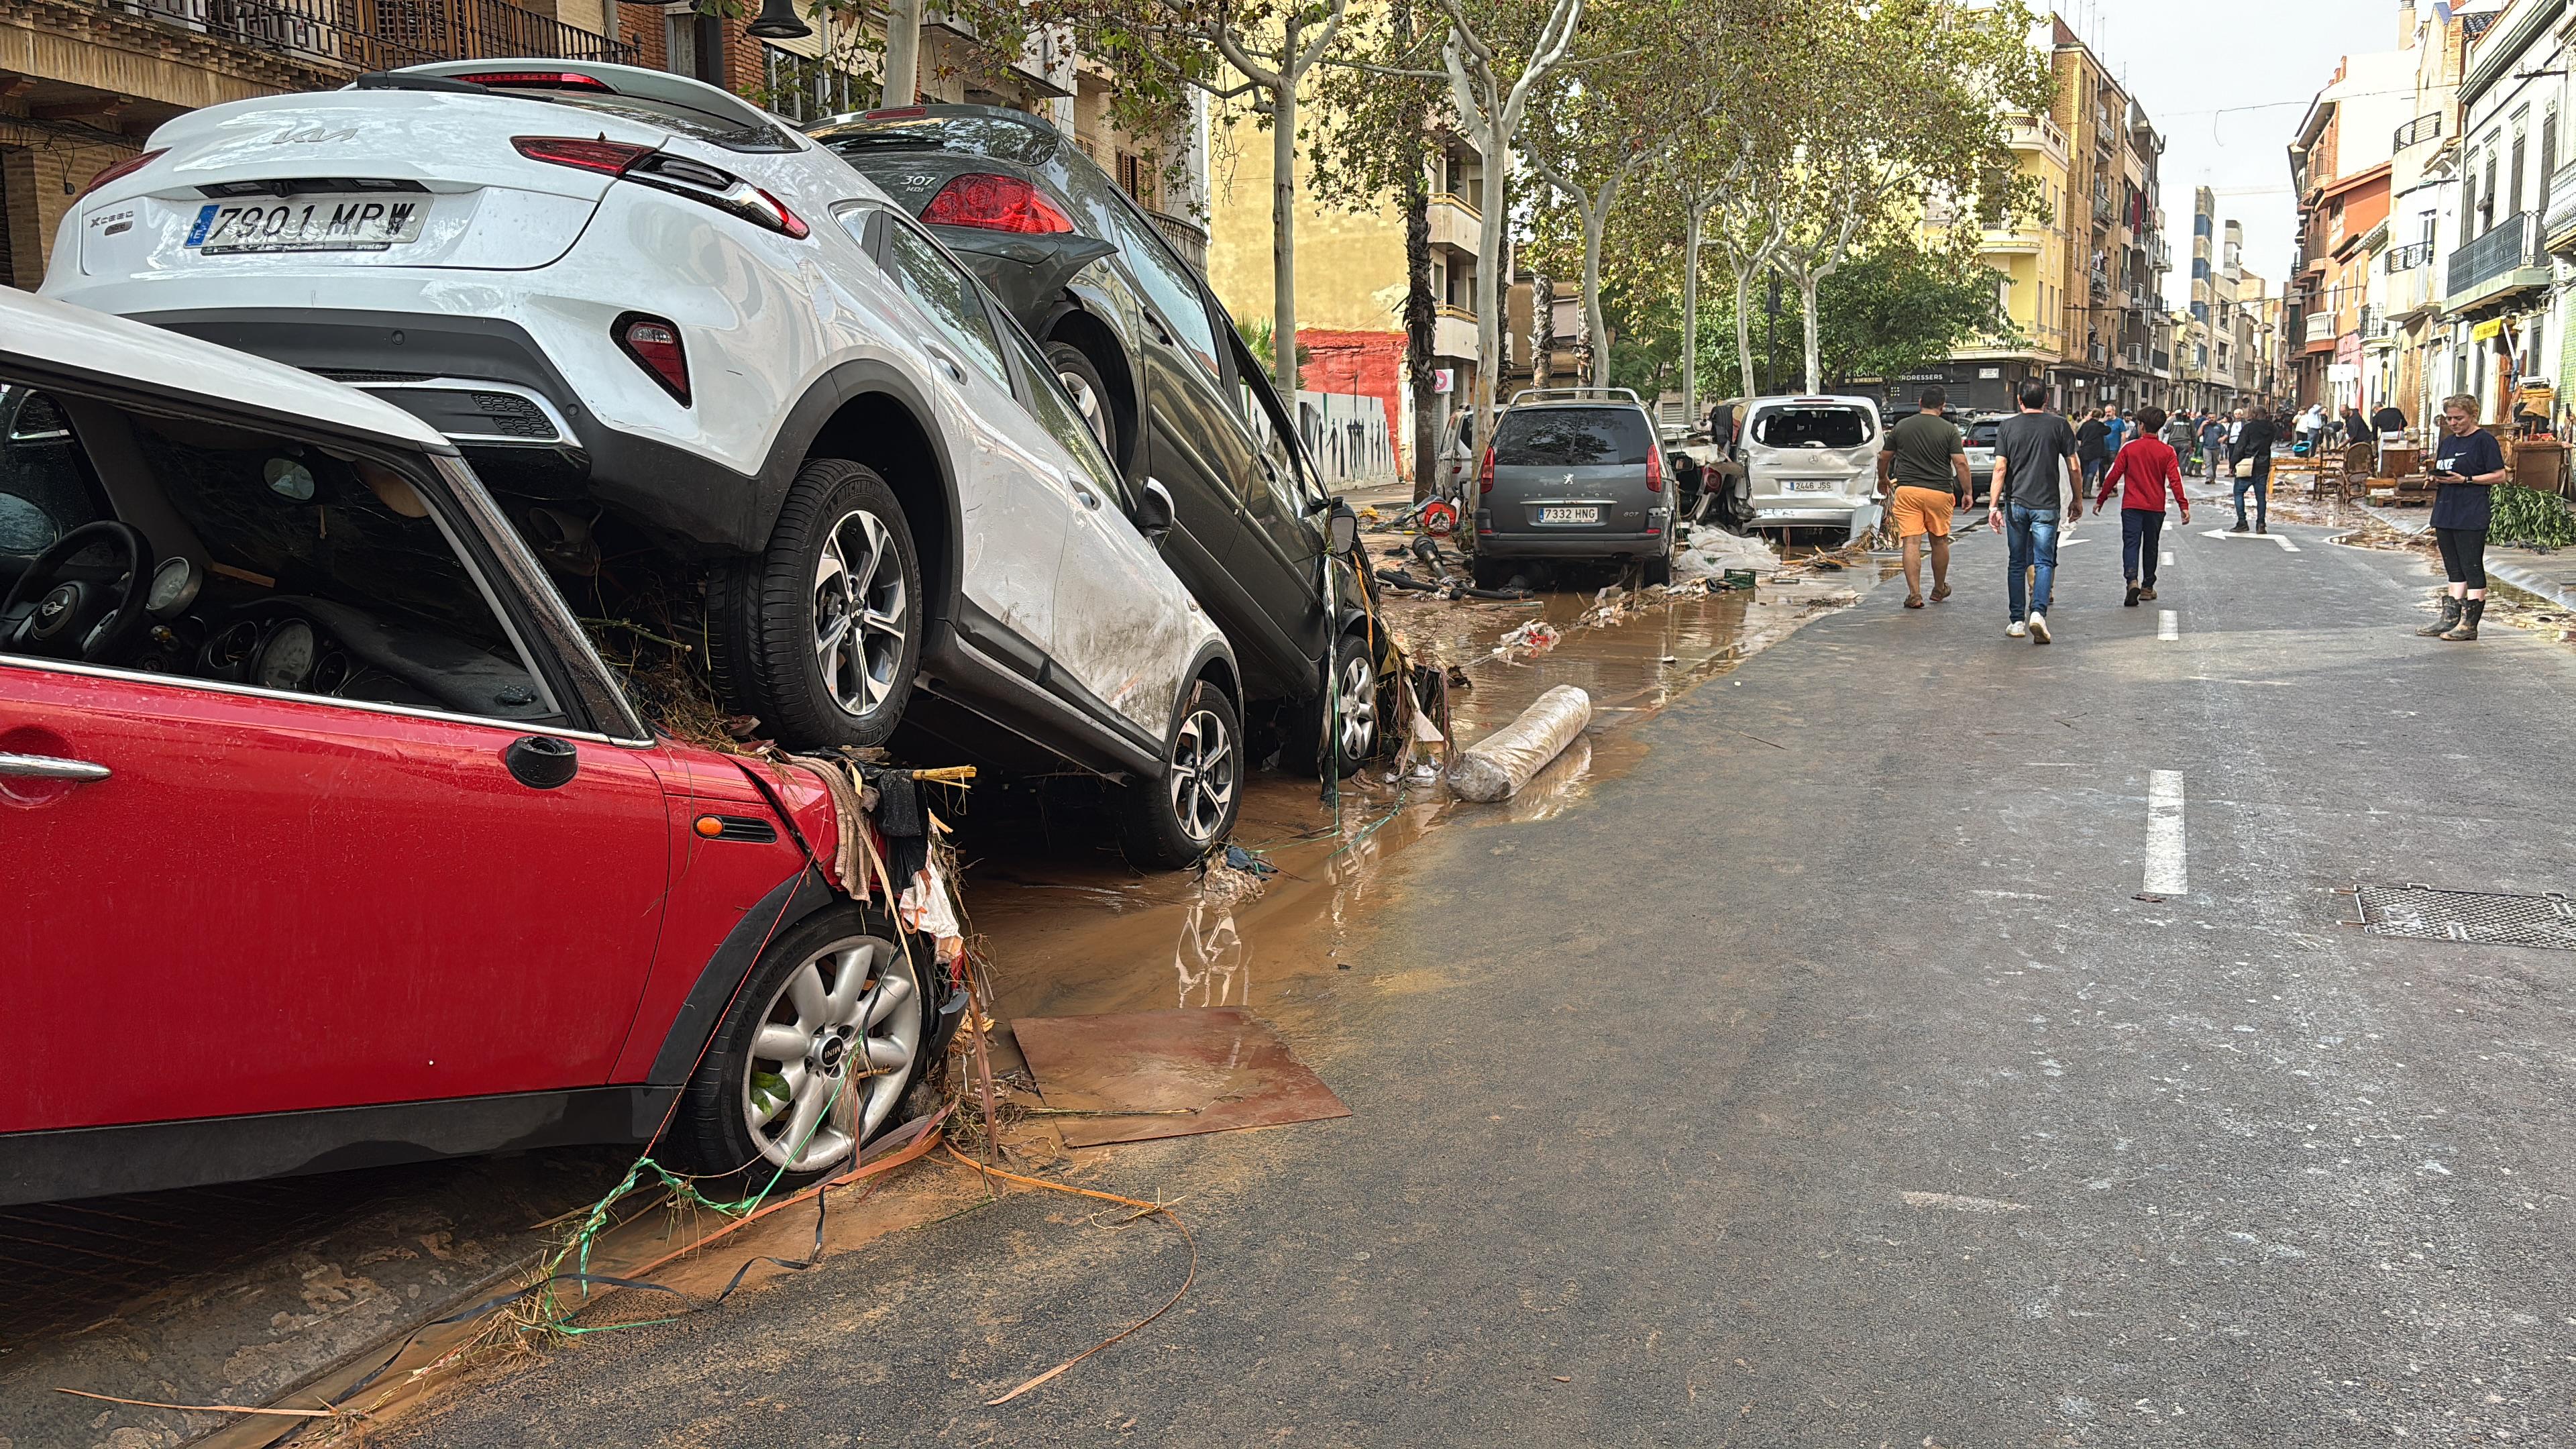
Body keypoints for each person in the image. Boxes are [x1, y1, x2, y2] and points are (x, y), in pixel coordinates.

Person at [1988, 380, 2082, 644]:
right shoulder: (2059, 425)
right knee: (2043, 561)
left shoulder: (2008, 427)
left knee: (2017, 562)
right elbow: (2073, 465)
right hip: (2047, 505)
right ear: (2047, 399)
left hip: (2017, 503)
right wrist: (2077, 498)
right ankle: (2038, 613)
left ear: (2019, 400)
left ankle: (2017, 621)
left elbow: (2000, 469)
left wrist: (1994, 506)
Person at [2417, 393, 2509, 641]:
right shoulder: (2448, 442)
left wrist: (2467, 480)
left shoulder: (2484, 441)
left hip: (2471, 511)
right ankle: (2450, 618)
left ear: (2472, 415)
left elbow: (2500, 475)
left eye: (2459, 418)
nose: (2454, 423)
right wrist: (2434, 477)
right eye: (2449, 419)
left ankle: (2470, 624)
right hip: (2446, 510)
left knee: (2471, 565)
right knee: (2453, 567)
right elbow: (2444, 468)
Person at [1878, 384, 1972, 609]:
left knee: (1911, 541)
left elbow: (1884, 457)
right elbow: (1960, 463)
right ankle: (1939, 589)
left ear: (1920, 403)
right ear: (1942, 406)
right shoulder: (1949, 430)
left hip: (1908, 491)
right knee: (1939, 540)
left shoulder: (1902, 427)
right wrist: (1968, 492)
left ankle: (1915, 594)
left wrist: (1882, 478)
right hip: (1939, 492)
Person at [2095, 405, 2192, 608]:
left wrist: (2101, 498)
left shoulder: (2129, 449)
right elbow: (2175, 480)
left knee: (2131, 543)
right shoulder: (2167, 451)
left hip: (2131, 506)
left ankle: (2132, 581)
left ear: (2141, 426)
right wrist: (2183, 505)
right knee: (2151, 544)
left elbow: (2113, 475)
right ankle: (2148, 587)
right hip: (2155, 507)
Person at [2230, 405, 2280, 533]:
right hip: (2263, 465)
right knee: (2261, 496)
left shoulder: (2249, 428)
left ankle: (2242, 522)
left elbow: (2240, 447)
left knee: (2238, 492)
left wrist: (2233, 464)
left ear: (2255, 414)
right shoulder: (2271, 428)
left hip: (2247, 464)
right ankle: (2261, 524)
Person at [2076, 406, 2110, 497]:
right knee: (2092, 471)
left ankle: (2083, 491)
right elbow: (2108, 430)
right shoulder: (2099, 425)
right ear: (2099, 416)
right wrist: (2104, 422)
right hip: (2095, 451)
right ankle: (2087, 492)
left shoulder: (2085, 424)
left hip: (2084, 451)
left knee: (2085, 471)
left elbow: (2078, 436)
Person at [2198, 411, 2231, 485]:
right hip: (2206, 447)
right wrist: (2202, 425)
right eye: (2210, 418)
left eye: (2213, 418)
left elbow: (2226, 434)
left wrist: (2223, 438)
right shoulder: (2205, 426)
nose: (2211, 419)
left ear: (2215, 418)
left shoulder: (2220, 426)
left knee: (2214, 464)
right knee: (2208, 463)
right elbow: (2198, 434)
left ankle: (2213, 478)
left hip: (2216, 448)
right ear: (2207, 418)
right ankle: (2208, 477)